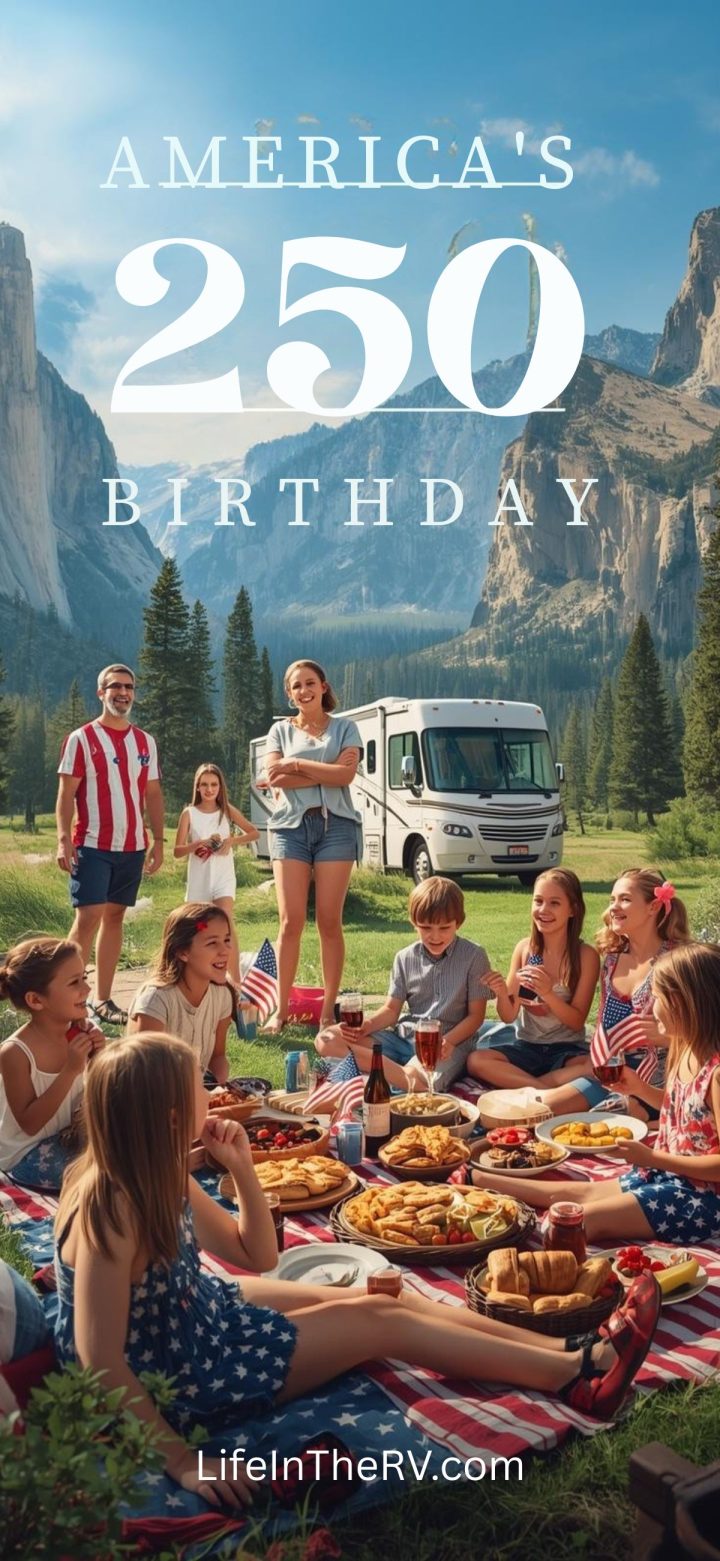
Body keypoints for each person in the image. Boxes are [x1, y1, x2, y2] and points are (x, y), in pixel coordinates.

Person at [53, 1034, 661, 1511]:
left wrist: (239, 1165)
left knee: (382, 1293)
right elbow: (97, 1358)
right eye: (200, 1091)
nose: (214, 1097)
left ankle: (567, 1345)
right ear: (164, 1114)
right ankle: (576, 1377)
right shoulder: (111, 1201)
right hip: (179, 1367)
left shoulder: (154, 1165)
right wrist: (183, 1461)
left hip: (194, 1307)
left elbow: (256, 1253)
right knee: (379, 1320)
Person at [471, 942, 720, 1246]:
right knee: (576, 1194)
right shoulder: (684, 1049)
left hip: (703, 1199)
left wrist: (653, 1157)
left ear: (683, 1004)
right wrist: (640, 1089)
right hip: (669, 1175)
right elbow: (682, 1111)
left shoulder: (716, 1073)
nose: (650, 1007)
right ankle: (476, 1179)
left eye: (656, 997)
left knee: (572, 1222)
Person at [532, 869, 691, 1121]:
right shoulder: (612, 961)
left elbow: (707, 1031)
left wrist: (667, 1037)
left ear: (654, 907)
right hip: (611, 1073)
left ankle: (651, 1118)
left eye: (625, 899)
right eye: (612, 900)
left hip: (658, 1081)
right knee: (540, 1110)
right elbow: (604, 1024)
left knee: (603, 1123)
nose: (614, 907)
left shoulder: (678, 960)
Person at [55, 663, 164, 1026]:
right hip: (92, 842)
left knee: (115, 916)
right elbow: (66, 793)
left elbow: (152, 793)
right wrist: (62, 839)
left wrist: (159, 840)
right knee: (87, 918)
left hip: (132, 845)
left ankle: (102, 1000)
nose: (123, 692)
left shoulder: (144, 741)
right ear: (101, 693)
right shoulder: (81, 738)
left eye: (129, 686)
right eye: (114, 686)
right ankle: (68, 1003)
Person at [316, 876, 494, 1091]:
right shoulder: (404, 957)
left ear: (459, 922)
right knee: (326, 1040)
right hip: (403, 1038)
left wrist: (448, 1041)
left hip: (447, 1044)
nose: (435, 936)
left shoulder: (474, 955)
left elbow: (476, 1017)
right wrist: (366, 1027)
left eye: (444, 928)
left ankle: (380, 1070)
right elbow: (391, 1010)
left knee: (423, 1084)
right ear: (413, 923)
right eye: (426, 927)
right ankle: (396, 1072)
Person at [261, 659, 362, 1032]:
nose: (303, 691)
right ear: (289, 694)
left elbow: (346, 775)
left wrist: (296, 765)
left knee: (329, 921)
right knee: (290, 922)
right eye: (296, 686)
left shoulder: (345, 728)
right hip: (290, 829)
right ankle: (281, 1011)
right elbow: (275, 779)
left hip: (337, 827)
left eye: (309, 683)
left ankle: (325, 1013)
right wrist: (324, 769)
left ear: (323, 686)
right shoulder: (278, 733)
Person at [467, 869, 600, 1090]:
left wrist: (548, 994)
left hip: (567, 1050)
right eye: (538, 901)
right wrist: (502, 992)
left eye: (554, 903)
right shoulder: (526, 950)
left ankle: (528, 1087)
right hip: (527, 1047)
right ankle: (543, 1088)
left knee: (592, 1066)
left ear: (573, 909)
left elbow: (577, 1021)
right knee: (476, 1060)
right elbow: (508, 1016)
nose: (543, 910)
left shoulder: (585, 955)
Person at [0, 937, 104, 1178]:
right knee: (102, 1171)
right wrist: (70, 1070)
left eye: (85, 977)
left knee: (132, 1142)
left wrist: (99, 1054)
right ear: (36, 1000)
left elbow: (98, 1093)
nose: (87, 989)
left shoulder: (79, 1030)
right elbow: (30, 1124)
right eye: (74, 982)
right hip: (26, 1155)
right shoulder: (15, 1053)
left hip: (67, 1137)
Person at [127, 904, 234, 1082]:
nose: (225, 950)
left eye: (227, 940)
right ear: (182, 952)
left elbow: (217, 1057)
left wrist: (218, 1089)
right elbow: (142, 1073)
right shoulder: (156, 1000)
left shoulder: (222, 996)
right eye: (212, 943)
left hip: (192, 1096)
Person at [174, 763, 258, 986]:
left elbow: (254, 833)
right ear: (197, 787)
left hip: (223, 876)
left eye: (214, 784)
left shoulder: (226, 811)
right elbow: (177, 851)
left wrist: (231, 841)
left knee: (226, 921)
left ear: (220, 786)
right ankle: (198, 976)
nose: (209, 789)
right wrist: (198, 844)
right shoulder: (189, 813)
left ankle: (235, 982)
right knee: (199, 928)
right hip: (200, 878)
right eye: (204, 785)